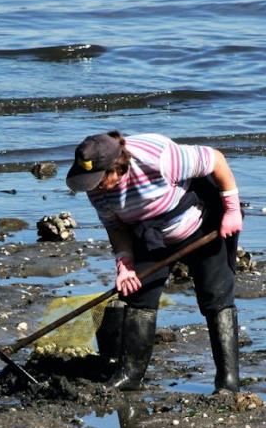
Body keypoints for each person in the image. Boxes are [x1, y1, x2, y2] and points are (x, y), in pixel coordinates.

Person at [66, 131, 244, 393]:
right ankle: (130, 375)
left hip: (201, 224)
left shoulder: (158, 158)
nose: (94, 187)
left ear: (117, 167)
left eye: (99, 179)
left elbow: (216, 160)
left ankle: (228, 380)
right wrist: (124, 264)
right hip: (148, 236)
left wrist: (232, 210)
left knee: (215, 295)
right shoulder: (96, 188)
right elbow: (116, 228)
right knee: (139, 296)